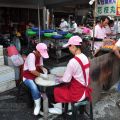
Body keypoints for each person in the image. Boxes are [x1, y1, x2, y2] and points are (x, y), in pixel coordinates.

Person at [46, 36, 92, 114]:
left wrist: (58, 79)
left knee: (50, 90)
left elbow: (65, 80)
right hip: (84, 89)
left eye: (69, 47)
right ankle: (69, 109)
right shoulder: (85, 57)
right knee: (62, 87)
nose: (69, 49)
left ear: (73, 46)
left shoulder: (73, 61)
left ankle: (58, 109)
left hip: (77, 93)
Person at [22, 43, 49, 115]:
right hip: (27, 76)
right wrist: (42, 75)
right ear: (37, 51)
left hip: (36, 75)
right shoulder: (31, 56)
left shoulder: (40, 56)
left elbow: (40, 65)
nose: (41, 56)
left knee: (46, 84)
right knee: (34, 88)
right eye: (41, 54)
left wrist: (43, 69)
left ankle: (42, 96)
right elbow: (32, 71)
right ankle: (37, 105)